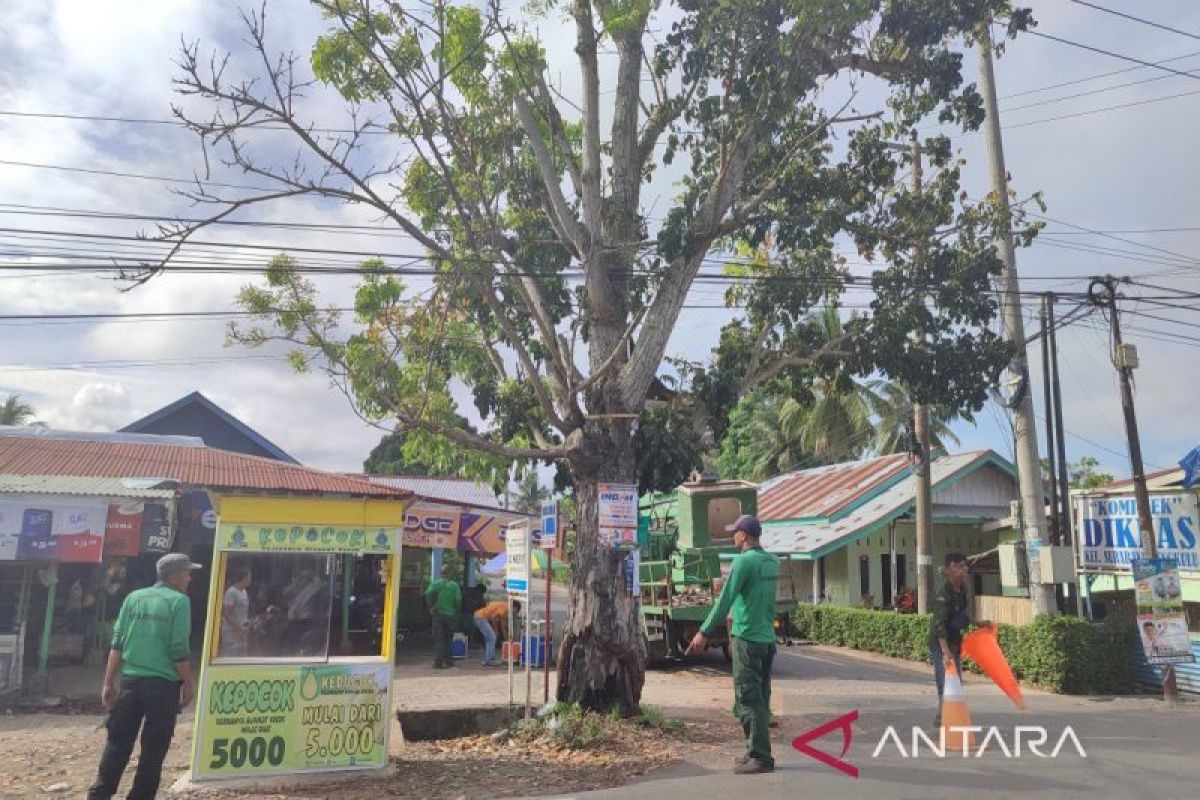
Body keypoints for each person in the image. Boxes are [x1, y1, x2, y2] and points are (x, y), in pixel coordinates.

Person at [88, 553, 201, 800]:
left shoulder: (134, 598)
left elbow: (117, 643)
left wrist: (108, 683)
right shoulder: (179, 602)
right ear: (174, 576)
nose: (190, 577)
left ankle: (99, 794)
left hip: (130, 682)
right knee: (153, 750)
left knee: (117, 744)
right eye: (187, 572)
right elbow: (178, 649)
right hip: (163, 687)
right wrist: (188, 683)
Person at [686, 515, 780, 775]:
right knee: (761, 696)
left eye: (735, 532)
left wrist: (703, 632)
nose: (732, 536)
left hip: (747, 639)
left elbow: (724, 599)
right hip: (766, 640)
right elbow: (754, 598)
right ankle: (754, 750)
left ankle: (761, 757)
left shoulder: (742, 562)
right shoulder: (772, 562)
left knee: (749, 699)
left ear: (745, 535)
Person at [929, 552, 987, 726]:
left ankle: (952, 715)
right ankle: (943, 715)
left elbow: (962, 615)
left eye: (965, 566)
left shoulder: (962, 590)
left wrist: (979, 623)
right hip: (941, 643)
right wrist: (945, 652)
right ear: (949, 569)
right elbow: (940, 625)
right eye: (960, 566)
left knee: (956, 680)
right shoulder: (943, 594)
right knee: (944, 678)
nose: (964, 570)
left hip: (954, 641)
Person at [426, 564, 461, 668]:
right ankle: (449, 661)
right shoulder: (454, 585)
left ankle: (438, 662)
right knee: (449, 638)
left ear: (441, 573)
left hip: (438, 615)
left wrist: (431, 607)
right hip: (451, 615)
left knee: (439, 639)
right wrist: (456, 611)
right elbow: (458, 600)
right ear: (450, 573)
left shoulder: (435, 584)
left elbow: (428, 593)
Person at [475, 599, 519, 666]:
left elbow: (502, 626)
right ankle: (489, 660)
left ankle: (490, 659)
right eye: (516, 611)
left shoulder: (505, 610)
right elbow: (494, 618)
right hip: (481, 617)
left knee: (490, 638)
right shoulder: (506, 607)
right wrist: (496, 630)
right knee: (492, 637)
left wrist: (507, 640)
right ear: (515, 608)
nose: (514, 613)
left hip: (480, 617)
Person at [220, 567, 252, 656]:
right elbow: (227, 614)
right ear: (243, 578)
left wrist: (246, 624)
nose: (250, 580)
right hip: (231, 632)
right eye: (249, 578)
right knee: (230, 656)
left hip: (242, 631)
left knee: (241, 657)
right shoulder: (231, 592)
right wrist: (238, 627)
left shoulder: (244, 592)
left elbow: (243, 611)